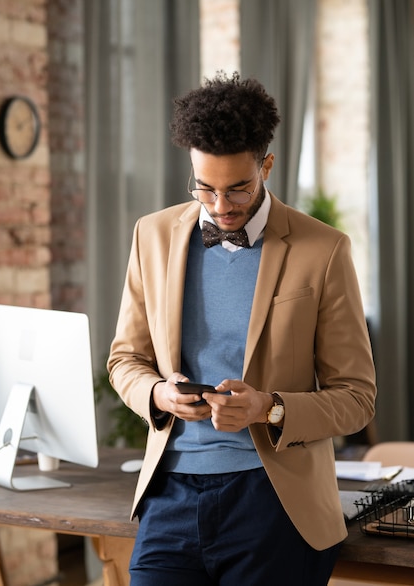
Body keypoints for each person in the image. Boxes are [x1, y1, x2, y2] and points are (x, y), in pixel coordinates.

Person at [107, 71, 376, 586]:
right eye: (204, 188)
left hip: (274, 501)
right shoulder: (153, 235)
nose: (220, 206)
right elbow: (125, 360)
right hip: (171, 495)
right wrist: (159, 394)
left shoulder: (324, 250)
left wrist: (268, 407)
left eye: (238, 189)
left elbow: (357, 396)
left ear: (266, 165)